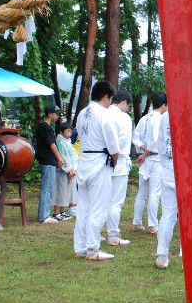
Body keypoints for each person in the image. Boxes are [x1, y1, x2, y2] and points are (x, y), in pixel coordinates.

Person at [73, 80, 120, 261]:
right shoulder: (104, 115)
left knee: (83, 207)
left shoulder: (82, 114)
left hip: (84, 160)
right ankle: (93, 249)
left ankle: (80, 246)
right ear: (106, 97)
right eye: (110, 99)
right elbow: (113, 146)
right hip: (99, 163)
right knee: (98, 208)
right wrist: (115, 161)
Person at [132, 92, 167, 234]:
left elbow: (136, 137)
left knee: (142, 192)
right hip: (154, 158)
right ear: (164, 105)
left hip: (145, 157)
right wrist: (146, 152)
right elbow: (156, 142)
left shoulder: (144, 118)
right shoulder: (160, 119)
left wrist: (142, 149)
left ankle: (137, 221)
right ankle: (152, 224)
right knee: (154, 192)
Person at [105, 90, 134, 246]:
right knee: (116, 201)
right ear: (123, 102)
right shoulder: (124, 118)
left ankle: (96, 233)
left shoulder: (104, 113)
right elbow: (122, 141)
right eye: (127, 106)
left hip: (102, 161)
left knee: (102, 200)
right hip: (119, 161)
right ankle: (113, 235)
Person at [154, 108, 177, 269]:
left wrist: (166, 163)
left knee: (167, 215)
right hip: (187, 170)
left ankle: (162, 255)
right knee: (189, 216)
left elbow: (161, 144)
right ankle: (186, 252)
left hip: (168, 167)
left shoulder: (165, 116)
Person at [35, 104, 66, 224]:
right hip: (47, 160)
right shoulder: (46, 127)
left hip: (48, 160)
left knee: (48, 188)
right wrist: (59, 158)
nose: (58, 116)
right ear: (50, 114)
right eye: (57, 113)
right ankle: (44, 216)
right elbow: (52, 145)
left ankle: (44, 214)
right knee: (47, 188)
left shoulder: (45, 127)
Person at [53, 121, 78, 221]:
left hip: (70, 170)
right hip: (63, 171)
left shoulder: (68, 142)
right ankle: (56, 212)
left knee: (66, 192)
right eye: (67, 131)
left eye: (71, 131)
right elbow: (64, 157)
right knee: (60, 191)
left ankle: (62, 211)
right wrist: (69, 170)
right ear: (62, 132)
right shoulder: (61, 143)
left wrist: (74, 169)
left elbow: (74, 156)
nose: (70, 133)